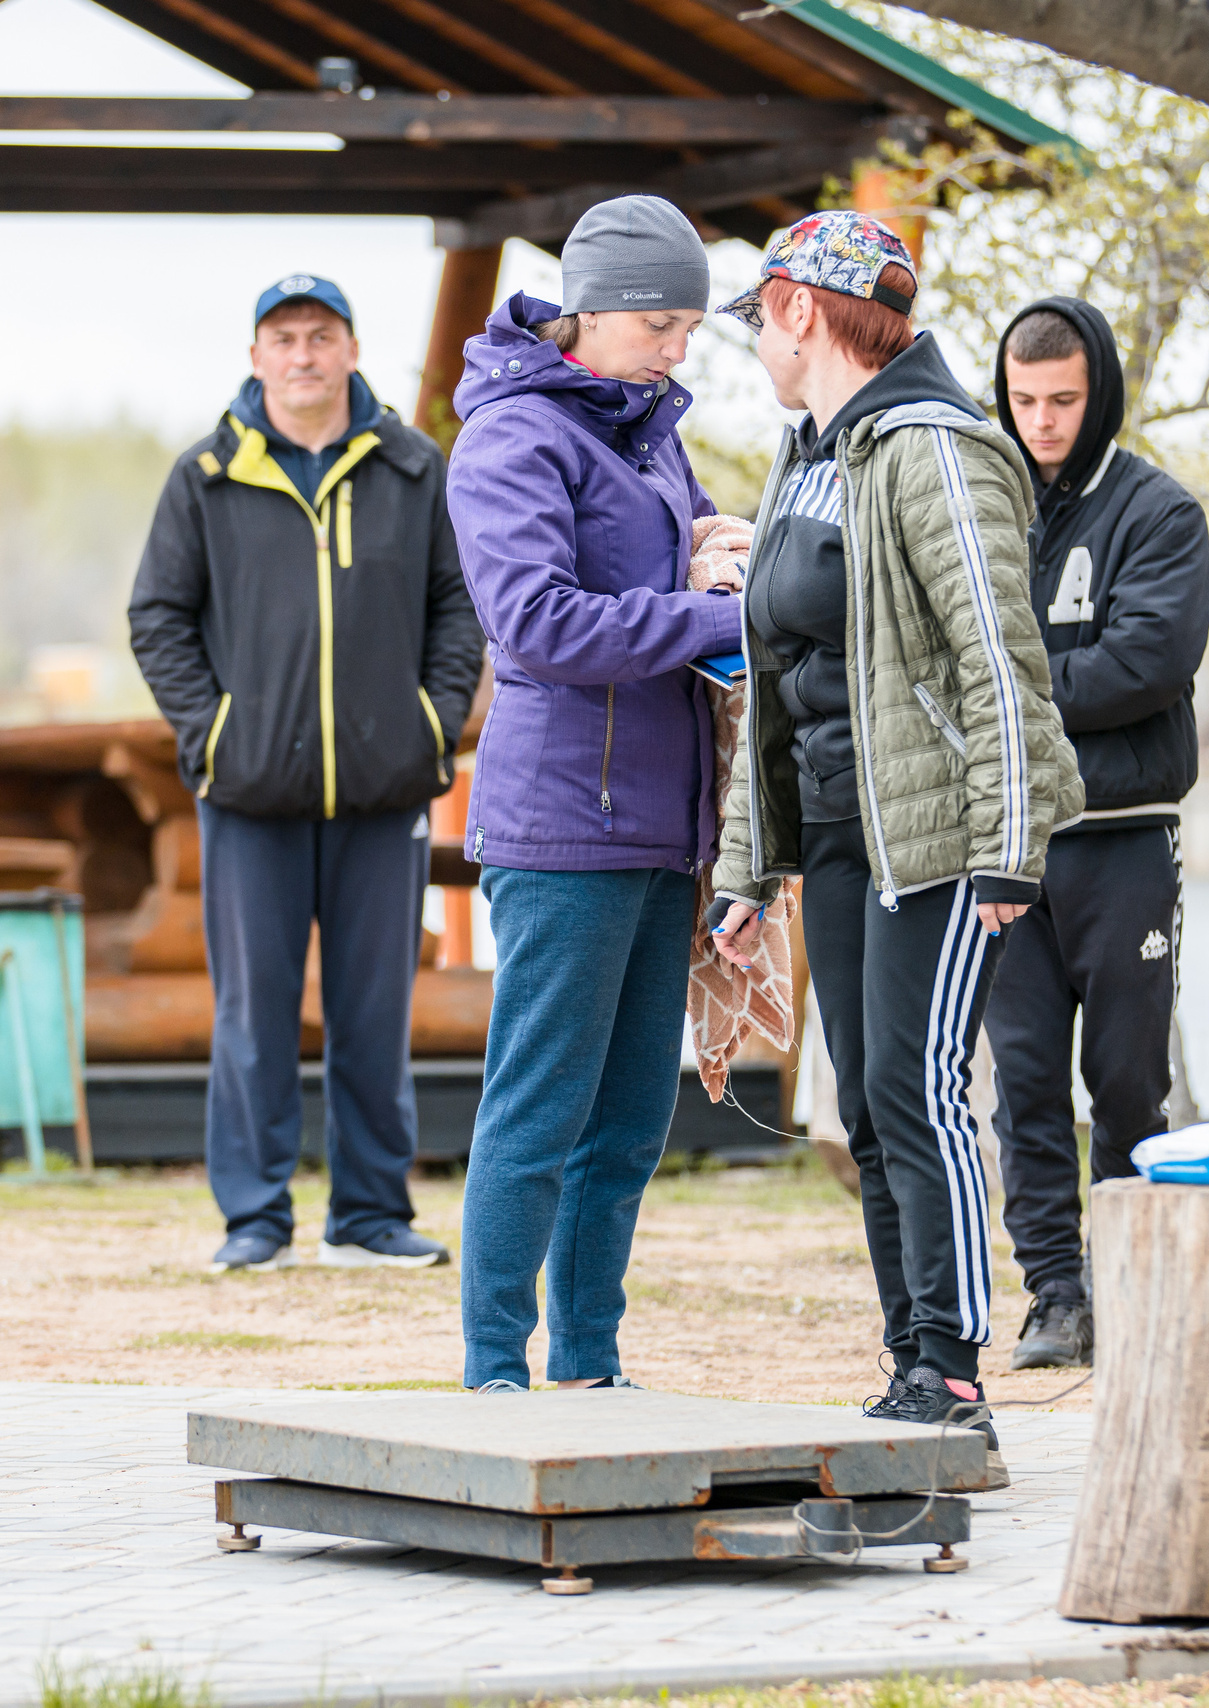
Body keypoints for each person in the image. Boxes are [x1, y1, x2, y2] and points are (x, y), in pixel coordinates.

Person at [710, 213, 1082, 1474]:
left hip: (930, 837)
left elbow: (999, 661)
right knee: (865, 1105)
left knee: (919, 1089)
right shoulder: (808, 453)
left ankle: (959, 1371)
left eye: (758, 319)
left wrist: (1009, 846)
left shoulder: (935, 447)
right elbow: (773, 675)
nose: (754, 345)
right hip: (832, 831)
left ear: (802, 314)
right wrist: (747, 870)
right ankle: (909, 1356)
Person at [446, 196, 743, 1392]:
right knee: (536, 1116)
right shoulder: (513, 438)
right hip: (563, 823)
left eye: (688, 327)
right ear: (596, 311)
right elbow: (537, 620)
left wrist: (710, 551)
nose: (679, 349)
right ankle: (490, 1375)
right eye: (662, 324)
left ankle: (589, 1365)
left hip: (659, 828)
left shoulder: (647, 432)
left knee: (626, 1126)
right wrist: (721, 613)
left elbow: (636, 580)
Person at [130, 273, 483, 1273]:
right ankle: (254, 1218)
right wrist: (214, 735)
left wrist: (431, 722)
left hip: (384, 791)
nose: (302, 355)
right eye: (282, 338)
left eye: (319, 335)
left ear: (350, 349)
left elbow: (460, 608)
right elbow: (155, 616)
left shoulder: (416, 469)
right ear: (255, 358)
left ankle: (370, 1215)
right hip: (251, 795)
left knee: (375, 1008)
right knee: (254, 1010)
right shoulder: (203, 477)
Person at [984, 298, 1209, 1369]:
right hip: (1009, 845)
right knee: (1022, 1079)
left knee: (1124, 1077)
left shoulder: (1159, 515)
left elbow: (1145, 665)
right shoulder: (985, 512)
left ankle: (1127, 1280)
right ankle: (1055, 1294)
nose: (1042, 421)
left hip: (1124, 843)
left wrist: (1015, 691)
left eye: (1063, 400)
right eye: (1025, 401)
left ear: (1099, 392)